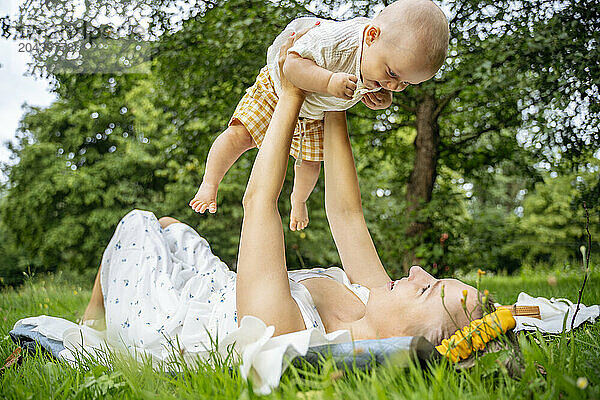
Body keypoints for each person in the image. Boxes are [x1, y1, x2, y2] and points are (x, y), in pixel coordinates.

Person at [81, 27, 479, 354]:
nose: (415, 271)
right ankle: (94, 314)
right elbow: (346, 214)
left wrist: (290, 94)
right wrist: (337, 95)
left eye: (426, 289)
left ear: (408, 341)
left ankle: (90, 323)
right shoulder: (374, 297)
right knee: (170, 226)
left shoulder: (286, 333)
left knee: (141, 224)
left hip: (176, 317)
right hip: (217, 290)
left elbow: (258, 203)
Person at [189, 0, 450, 232]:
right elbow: (291, 64)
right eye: (393, 75)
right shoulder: (334, 40)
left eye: (404, 84)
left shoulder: (382, 60)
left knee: (312, 163)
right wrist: (328, 82)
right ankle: (209, 183)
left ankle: (298, 200)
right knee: (240, 135)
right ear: (371, 36)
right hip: (277, 88)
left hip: (313, 111)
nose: (393, 85)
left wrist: (380, 99)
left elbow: (375, 88)